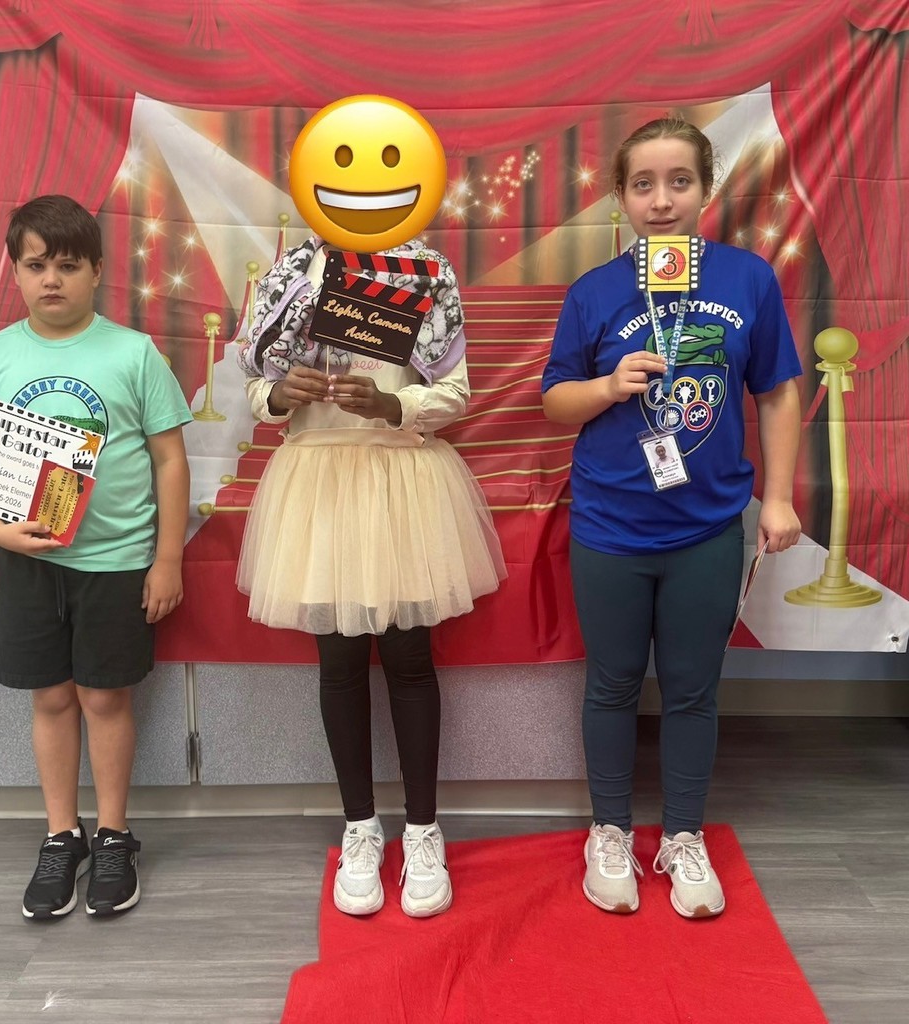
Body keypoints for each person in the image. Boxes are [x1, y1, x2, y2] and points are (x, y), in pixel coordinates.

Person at [542, 118, 802, 918]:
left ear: (705, 190)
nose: (662, 201)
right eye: (644, 185)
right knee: (614, 684)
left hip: (708, 526)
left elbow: (779, 389)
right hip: (612, 527)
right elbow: (555, 403)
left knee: (692, 689)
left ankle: (683, 837)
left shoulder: (748, 279)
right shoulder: (593, 293)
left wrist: (783, 495)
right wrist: (609, 385)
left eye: (679, 182)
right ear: (621, 198)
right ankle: (610, 831)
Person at [237, 236, 505, 918]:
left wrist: (392, 406)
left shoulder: (426, 271)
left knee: (412, 658)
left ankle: (422, 829)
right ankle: (360, 826)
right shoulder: (292, 272)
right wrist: (276, 393)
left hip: (402, 475)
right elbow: (253, 386)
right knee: (340, 659)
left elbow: (456, 389)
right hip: (319, 476)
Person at [0, 195, 192, 919]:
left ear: (95, 271)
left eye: (67, 264)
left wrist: (168, 558)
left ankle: (114, 834)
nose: (51, 278)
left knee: (104, 696)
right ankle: (64, 837)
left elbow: (170, 459)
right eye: (35, 265)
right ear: (14, 272)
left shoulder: (131, 352)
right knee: (51, 697)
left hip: (116, 561)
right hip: (27, 563)